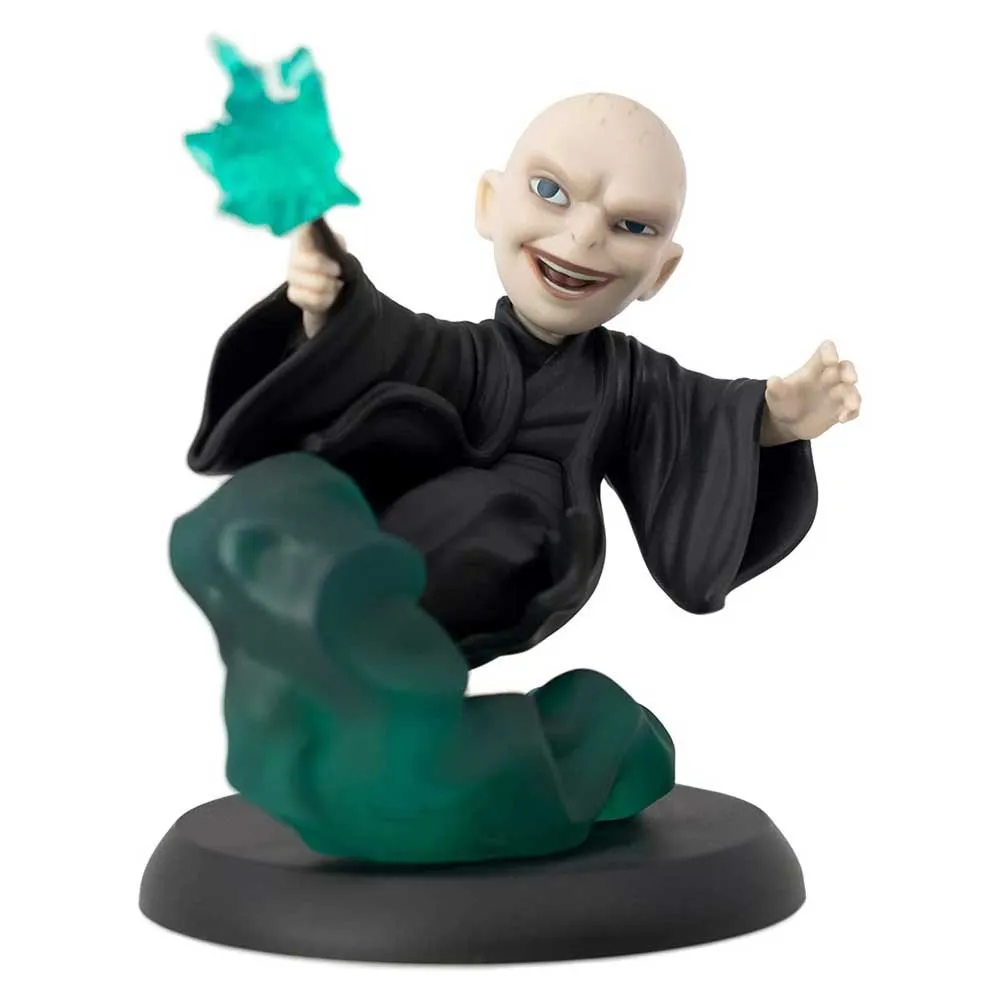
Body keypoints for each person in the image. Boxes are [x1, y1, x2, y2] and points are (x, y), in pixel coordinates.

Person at [187, 92, 861, 670]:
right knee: (301, 495)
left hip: (529, 543)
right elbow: (388, 342)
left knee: (482, 522)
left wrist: (775, 420)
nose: (584, 236)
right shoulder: (463, 353)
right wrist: (327, 307)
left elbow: (702, 418)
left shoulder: (631, 381)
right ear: (489, 204)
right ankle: (324, 631)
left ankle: (375, 648)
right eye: (551, 192)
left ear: (660, 270)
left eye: (631, 225)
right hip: (413, 520)